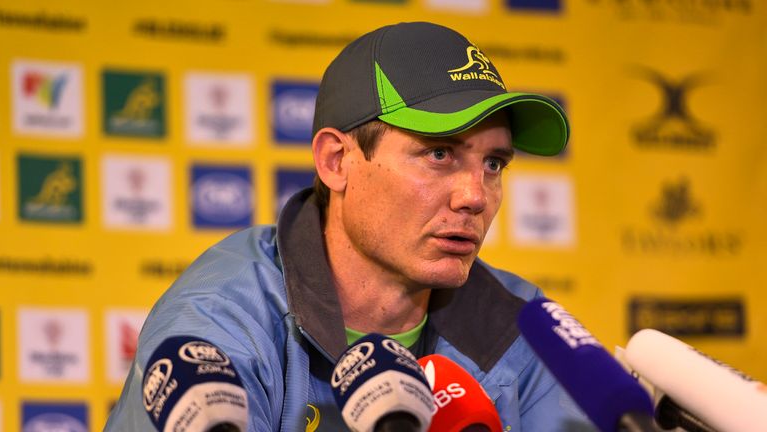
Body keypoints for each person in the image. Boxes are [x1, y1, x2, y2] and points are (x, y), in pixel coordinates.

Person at [106, 21, 593, 431]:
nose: (474, 196)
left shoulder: (523, 326)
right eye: (439, 154)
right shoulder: (223, 322)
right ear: (337, 161)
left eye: (493, 164)